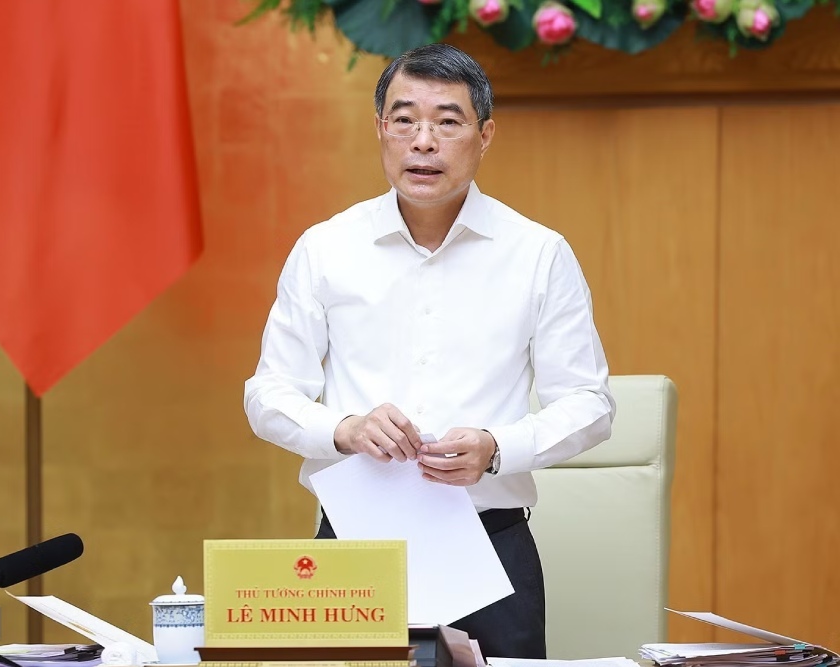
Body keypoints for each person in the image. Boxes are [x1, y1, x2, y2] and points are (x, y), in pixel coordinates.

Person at [243, 43, 616, 659]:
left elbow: (589, 404)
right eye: (405, 119)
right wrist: (345, 427)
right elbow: (268, 393)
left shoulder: (538, 253)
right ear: (381, 130)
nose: (424, 141)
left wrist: (498, 449)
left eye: (448, 121)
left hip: (491, 544)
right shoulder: (326, 248)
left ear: (484, 134)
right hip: (353, 551)